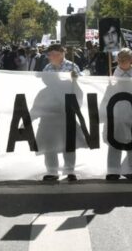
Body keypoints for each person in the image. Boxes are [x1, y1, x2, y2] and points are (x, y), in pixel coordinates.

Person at [39, 44, 83, 181]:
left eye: (54, 54)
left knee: (68, 143)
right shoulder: (47, 68)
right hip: (51, 111)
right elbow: (44, 83)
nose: (51, 57)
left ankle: (70, 170)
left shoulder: (72, 67)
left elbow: (81, 85)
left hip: (67, 110)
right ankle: (52, 171)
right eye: (49, 55)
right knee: (50, 143)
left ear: (62, 54)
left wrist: (76, 79)